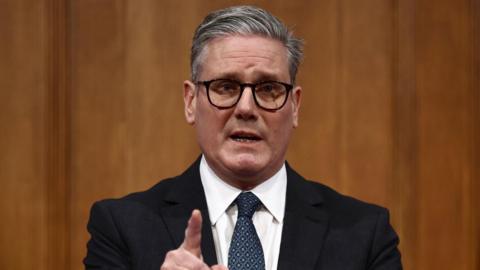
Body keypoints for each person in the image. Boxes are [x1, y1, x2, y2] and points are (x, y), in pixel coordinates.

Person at [84, 5, 402, 270]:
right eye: (225, 87)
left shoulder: (364, 234)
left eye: (268, 89)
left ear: (294, 106)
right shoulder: (122, 227)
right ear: (191, 101)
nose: (246, 108)